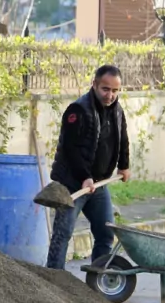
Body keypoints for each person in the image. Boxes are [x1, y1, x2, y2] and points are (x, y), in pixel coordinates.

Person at [44, 64, 131, 270]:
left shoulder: (117, 110)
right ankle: (54, 278)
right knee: (63, 233)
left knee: (105, 233)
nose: (110, 95)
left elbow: (123, 139)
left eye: (115, 90)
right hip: (72, 184)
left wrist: (124, 166)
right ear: (94, 85)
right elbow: (70, 149)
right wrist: (84, 176)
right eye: (105, 89)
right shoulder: (78, 110)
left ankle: (99, 277)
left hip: (99, 185)